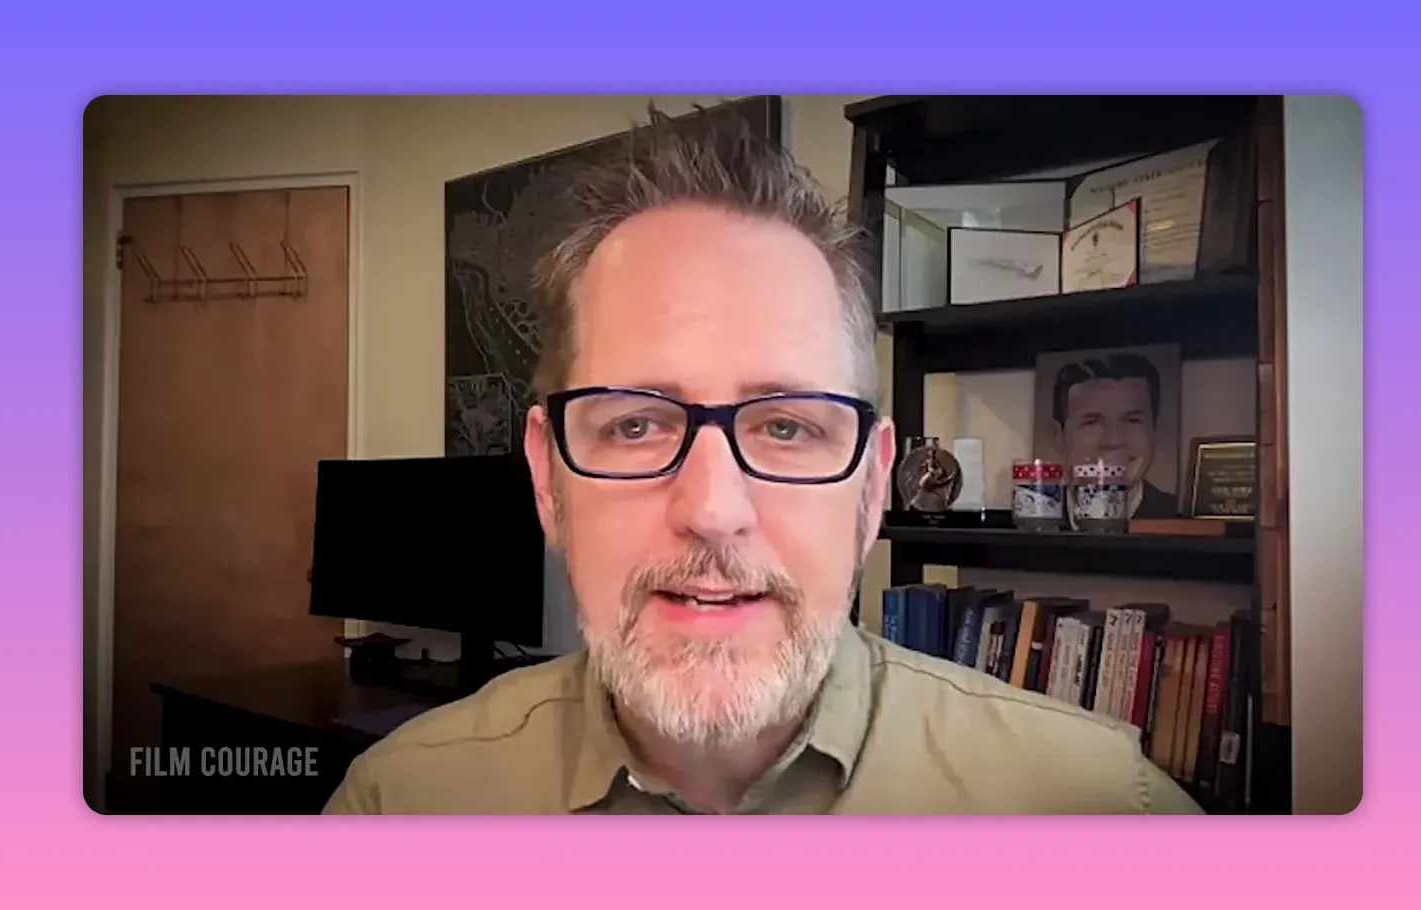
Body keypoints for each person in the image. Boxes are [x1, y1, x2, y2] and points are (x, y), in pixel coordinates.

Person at [323, 105, 1201, 815]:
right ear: (548, 480)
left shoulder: (1095, 811)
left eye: (786, 428)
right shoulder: (400, 806)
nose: (713, 508)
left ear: (868, 487)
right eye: (636, 425)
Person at [1050, 354, 1182, 519]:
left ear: (1154, 429)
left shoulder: (1177, 518)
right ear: (1058, 436)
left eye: (1132, 420)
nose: (1113, 441)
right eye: (1092, 422)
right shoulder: (1039, 514)